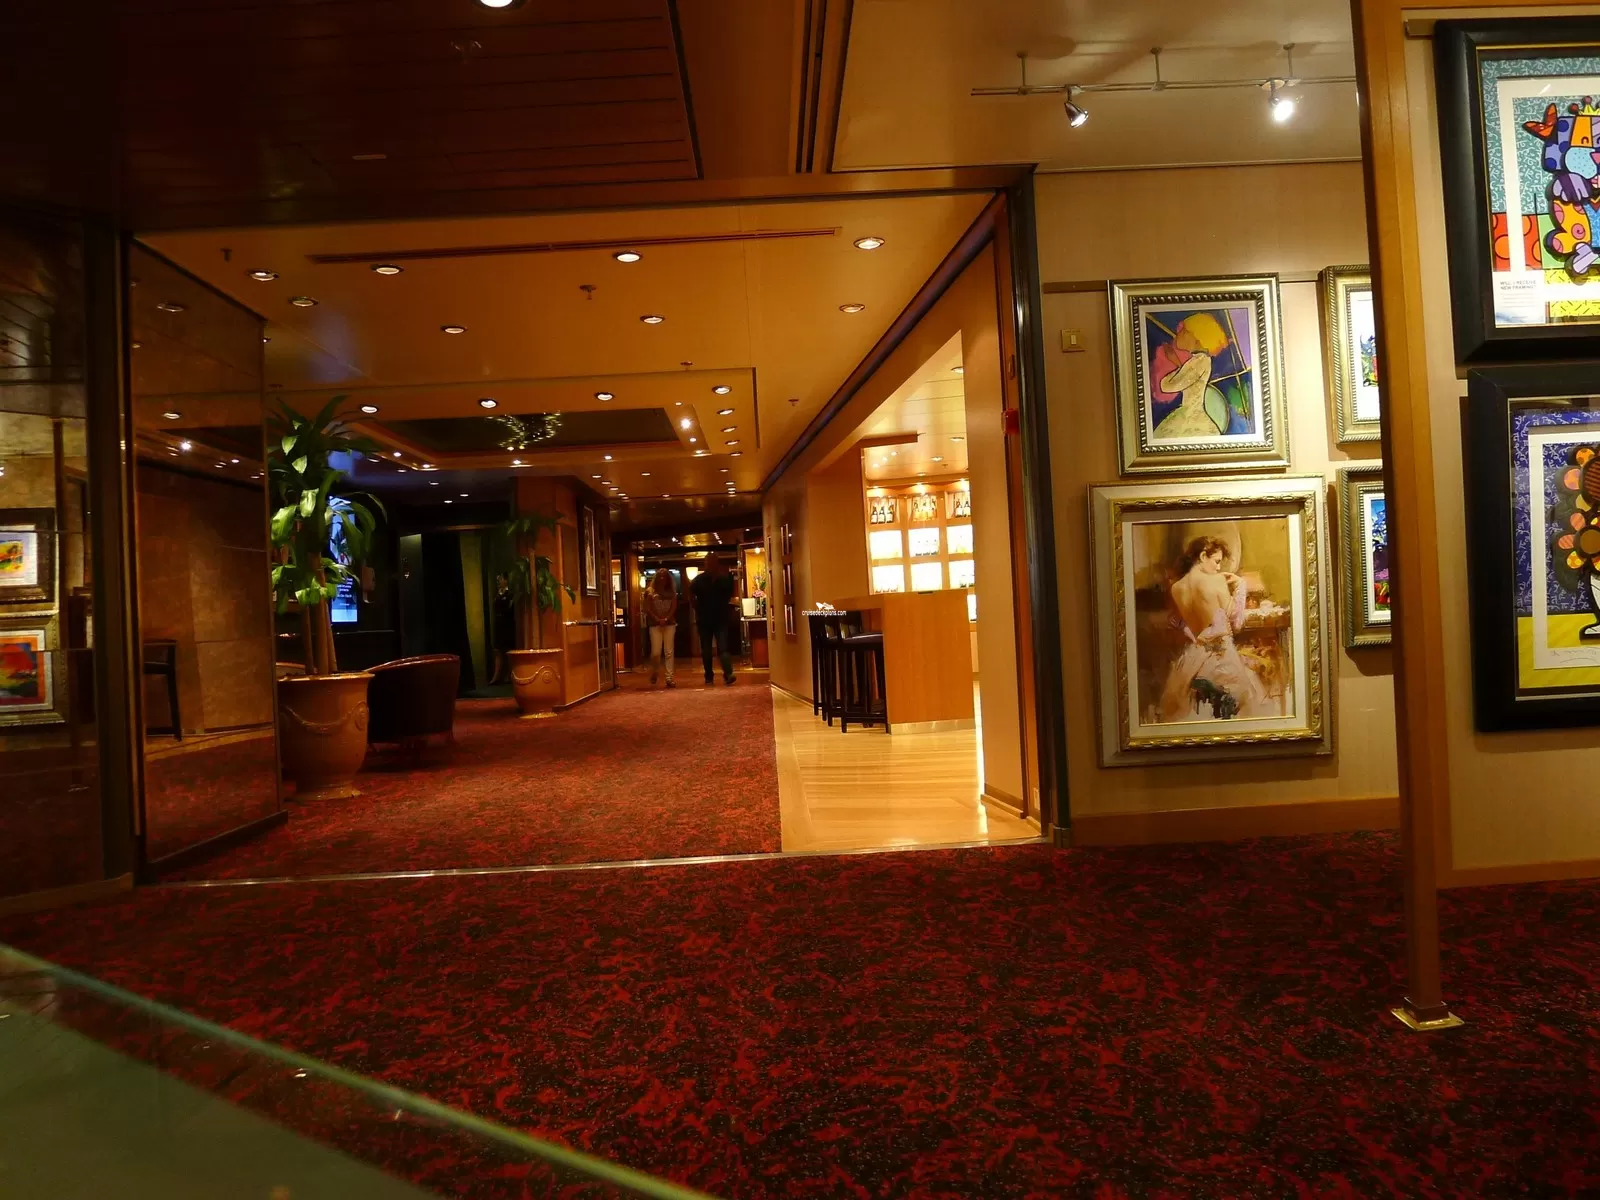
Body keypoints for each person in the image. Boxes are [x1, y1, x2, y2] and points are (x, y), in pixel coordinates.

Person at [1158, 535, 1268, 722]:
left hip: (1194, 657)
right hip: (1221, 656)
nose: (1218, 568)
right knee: (1248, 703)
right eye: (1217, 562)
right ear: (1203, 557)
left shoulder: (1176, 588)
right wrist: (1240, 587)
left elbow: (1184, 625)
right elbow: (1236, 623)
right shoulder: (1216, 581)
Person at [690, 556, 738, 685]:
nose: (710, 565)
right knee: (707, 650)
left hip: (720, 618)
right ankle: (709, 675)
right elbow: (691, 594)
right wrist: (697, 608)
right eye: (708, 563)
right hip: (705, 619)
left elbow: (729, 594)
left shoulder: (723, 579)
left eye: (712, 562)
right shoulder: (699, 580)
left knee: (722, 647)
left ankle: (727, 673)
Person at [642, 569, 678, 688]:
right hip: (655, 624)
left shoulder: (672, 592)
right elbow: (647, 608)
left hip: (669, 624)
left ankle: (669, 678)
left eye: (664, 576)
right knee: (656, 652)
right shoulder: (650, 592)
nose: (662, 578)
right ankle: (655, 671)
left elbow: (673, 607)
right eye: (660, 576)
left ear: (668, 579)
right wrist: (657, 619)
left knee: (669, 652)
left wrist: (666, 619)